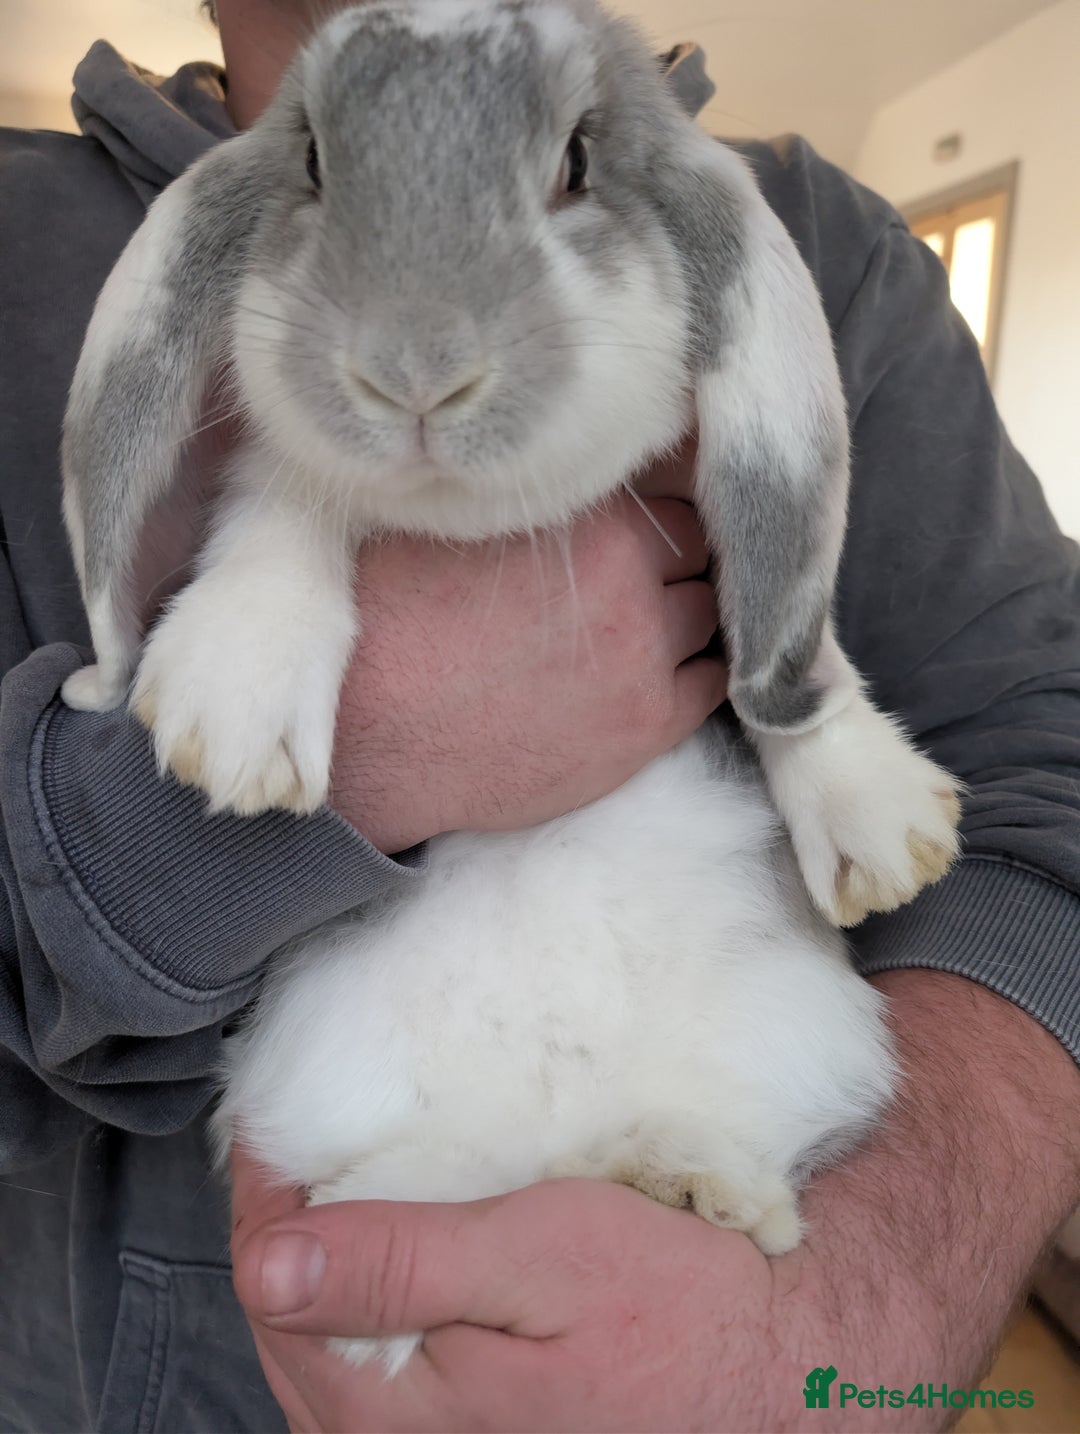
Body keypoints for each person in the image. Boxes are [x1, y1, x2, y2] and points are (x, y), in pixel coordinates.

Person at [1, 1, 1077, 1429]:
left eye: (567, 175)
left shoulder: (833, 249)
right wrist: (264, 788)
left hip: (700, 1077)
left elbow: (1045, 773)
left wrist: (841, 1328)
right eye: (323, 174)